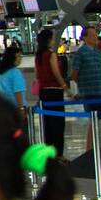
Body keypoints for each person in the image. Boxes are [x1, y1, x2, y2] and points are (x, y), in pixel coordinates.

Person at [69, 25, 101, 153]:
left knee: (100, 122)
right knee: (93, 122)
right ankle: (90, 150)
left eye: (96, 34)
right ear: (85, 38)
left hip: (100, 91)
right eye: (92, 35)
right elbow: (74, 74)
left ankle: (98, 149)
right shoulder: (80, 53)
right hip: (89, 93)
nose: (95, 37)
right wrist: (81, 88)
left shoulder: (97, 52)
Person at [34, 27, 66, 160]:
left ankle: (48, 153)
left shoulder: (38, 56)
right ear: (48, 40)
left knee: (47, 123)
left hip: (43, 92)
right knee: (58, 123)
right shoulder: (51, 54)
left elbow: (37, 74)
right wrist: (64, 85)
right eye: (52, 38)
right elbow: (56, 72)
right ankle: (58, 154)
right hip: (55, 91)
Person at [0, 44, 26, 121]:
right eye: (18, 56)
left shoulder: (1, 73)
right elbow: (18, 92)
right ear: (12, 58)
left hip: (4, 107)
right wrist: (21, 108)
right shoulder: (15, 72)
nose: (20, 59)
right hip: (15, 107)